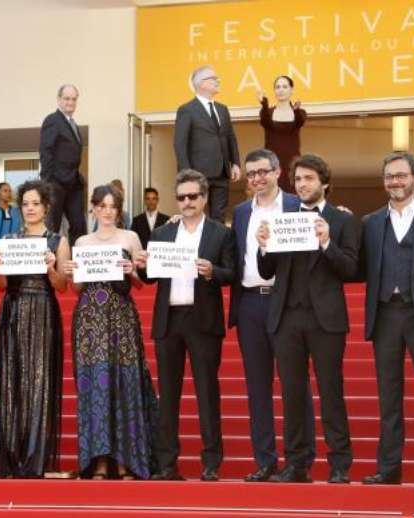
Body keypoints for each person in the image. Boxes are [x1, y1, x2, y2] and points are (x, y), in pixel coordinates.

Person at [256, 154, 359, 483]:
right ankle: (296, 464)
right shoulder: (282, 218)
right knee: (291, 394)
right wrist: (263, 247)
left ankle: (339, 465)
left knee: (331, 392)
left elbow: (351, 269)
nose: (302, 184)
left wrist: (327, 241)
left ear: (324, 183)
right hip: (286, 317)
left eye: (309, 179)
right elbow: (266, 271)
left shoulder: (342, 221)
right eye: (298, 179)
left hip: (325, 320)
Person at [135, 169, 235, 481]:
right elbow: (150, 277)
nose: (187, 202)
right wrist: (140, 265)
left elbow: (232, 273)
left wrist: (212, 272)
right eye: (181, 197)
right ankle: (167, 463)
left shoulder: (221, 233)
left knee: (207, 392)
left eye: (193, 196)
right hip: (169, 319)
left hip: (203, 320)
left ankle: (211, 463)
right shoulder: (164, 233)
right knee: (168, 394)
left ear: (204, 198)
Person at [228, 148, 315, 482]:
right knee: (257, 387)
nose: (256, 179)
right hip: (250, 303)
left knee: (295, 385)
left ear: (278, 172)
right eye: (251, 174)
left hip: (288, 303)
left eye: (262, 171)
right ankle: (265, 460)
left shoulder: (297, 206)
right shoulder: (239, 213)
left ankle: (301, 459)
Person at [359, 152, 414, 487]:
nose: (395, 181)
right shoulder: (370, 222)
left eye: (400, 175)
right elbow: (357, 268)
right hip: (386, 315)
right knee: (389, 399)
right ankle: (389, 468)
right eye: (389, 176)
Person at [63, 183, 158, 480]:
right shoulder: (82, 241)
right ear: (93, 207)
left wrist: (131, 270)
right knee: (95, 386)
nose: (106, 211)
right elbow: (77, 288)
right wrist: (70, 273)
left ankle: (126, 460)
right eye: (101, 205)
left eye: (112, 206)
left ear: (119, 209)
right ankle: (99, 461)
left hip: (120, 316)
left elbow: (141, 284)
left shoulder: (130, 237)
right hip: (89, 319)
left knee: (124, 383)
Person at [0, 179, 69, 478]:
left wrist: (49, 268)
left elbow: (62, 286)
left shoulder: (58, 241)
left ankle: (35, 458)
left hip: (44, 312)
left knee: (40, 383)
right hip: (13, 311)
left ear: (46, 207)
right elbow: (0, 286)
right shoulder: (9, 239)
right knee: (11, 382)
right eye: (26, 204)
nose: (30, 208)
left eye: (36, 203)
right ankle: (8, 455)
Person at [173, 66, 240, 222]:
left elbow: (230, 137)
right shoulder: (187, 110)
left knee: (219, 217)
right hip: (198, 174)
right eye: (213, 78)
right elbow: (180, 144)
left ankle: (218, 246)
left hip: (223, 173)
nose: (218, 81)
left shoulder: (223, 109)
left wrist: (235, 163)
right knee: (196, 215)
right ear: (200, 83)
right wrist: (187, 176)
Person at [40, 84, 86, 247]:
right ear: (59, 99)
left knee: (79, 226)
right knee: (52, 226)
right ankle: (47, 264)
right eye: (67, 98)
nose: (70, 102)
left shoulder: (72, 123)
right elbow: (45, 152)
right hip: (56, 183)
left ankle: (77, 264)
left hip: (73, 184)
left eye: (74, 99)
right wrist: (47, 184)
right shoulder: (53, 120)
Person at [257, 76, 307, 193]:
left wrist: (296, 110)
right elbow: (265, 121)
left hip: (292, 164)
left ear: (291, 90)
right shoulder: (267, 112)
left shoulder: (299, 112)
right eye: (277, 87)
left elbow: (300, 121)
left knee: (293, 197)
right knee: (273, 195)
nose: (281, 90)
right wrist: (264, 104)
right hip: (272, 164)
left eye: (285, 87)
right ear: (274, 91)